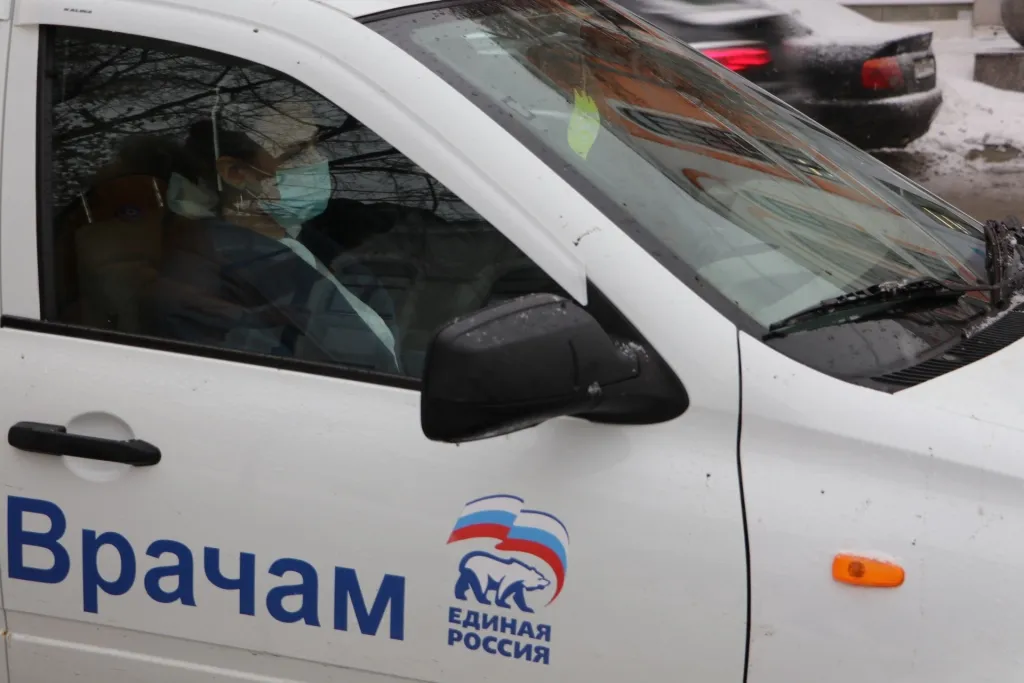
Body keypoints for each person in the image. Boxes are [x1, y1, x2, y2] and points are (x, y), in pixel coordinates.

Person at [145, 102, 402, 374]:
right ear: (236, 173)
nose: (318, 161)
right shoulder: (207, 276)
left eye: (316, 144)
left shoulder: (305, 238)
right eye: (297, 153)